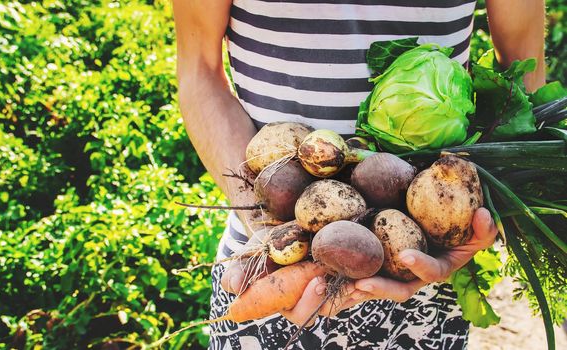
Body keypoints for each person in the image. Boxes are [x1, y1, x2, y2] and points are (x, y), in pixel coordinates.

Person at [172, 1, 545, 349]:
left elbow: (524, 73)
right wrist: (271, 234)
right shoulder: (272, 252)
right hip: (266, 269)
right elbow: (200, 69)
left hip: (421, 270)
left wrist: (465, 224)